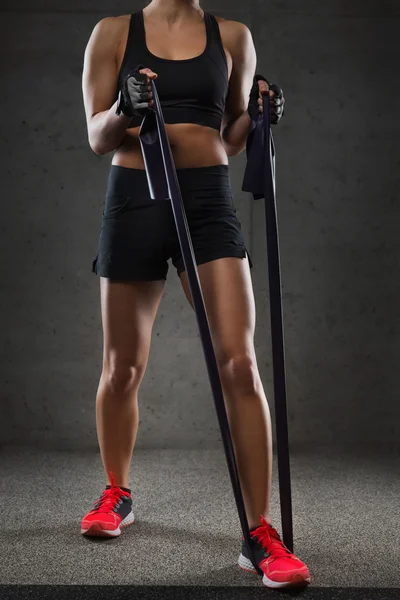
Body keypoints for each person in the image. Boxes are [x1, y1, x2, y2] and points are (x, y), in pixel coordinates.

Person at [81, 0, 310, 590]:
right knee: (122, 368)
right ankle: (116, 494)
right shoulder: (113, 32)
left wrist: (259, 115)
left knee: (241, 364)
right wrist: (124, 108)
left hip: (208, 201)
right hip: (134, 197)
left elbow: (229, 137)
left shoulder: (232, 35)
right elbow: (96, 136)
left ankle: (259, 534)